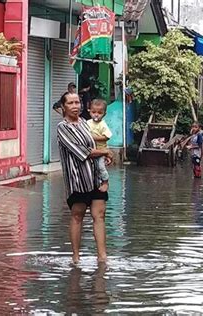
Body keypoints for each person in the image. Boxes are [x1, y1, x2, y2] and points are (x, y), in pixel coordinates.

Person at [57, 92, 113, 264]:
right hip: (78, 179)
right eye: (71, 103)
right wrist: (105, 152)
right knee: (77, 216)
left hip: (95, 177)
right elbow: (83, 151)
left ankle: (102, 256)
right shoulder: (63, 127)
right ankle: (75, 256)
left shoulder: (84, 123)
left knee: (100, 215)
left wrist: (104, 156)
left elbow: (95, 144)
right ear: (64, 107)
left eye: (77, 102)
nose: (75, 106)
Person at [87, 99, 112, 193]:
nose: (96, 115)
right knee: (93, 168)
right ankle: (94, 184)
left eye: (99, 113)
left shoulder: (103, 125)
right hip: (91, 151)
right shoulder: (87, 123)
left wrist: (94, 138)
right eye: (94, 112)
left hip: (101, 151)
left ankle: (105, 182)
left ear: (104, 114)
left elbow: (107, 137)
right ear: (89, 111)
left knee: (101, 167)